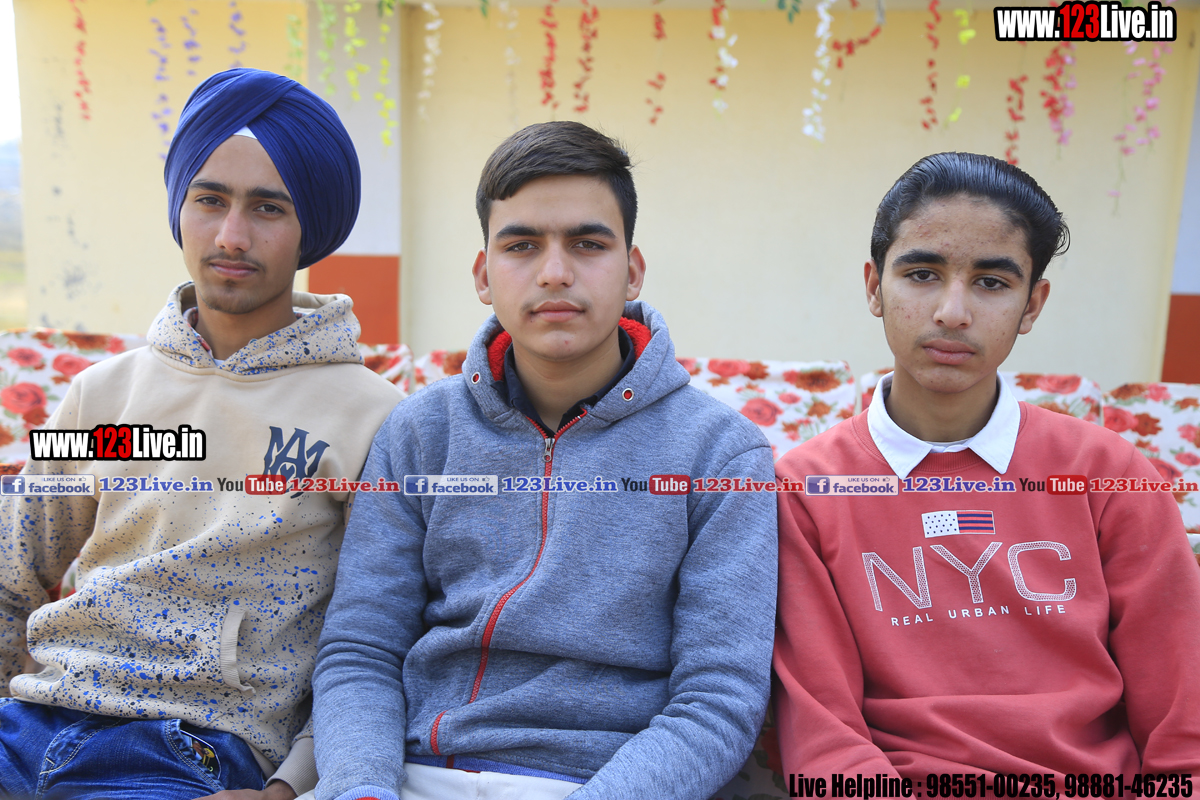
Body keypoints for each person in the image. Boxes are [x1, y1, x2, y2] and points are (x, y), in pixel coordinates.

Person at [309, 121, 778, 800]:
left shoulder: (721, 454)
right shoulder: (419, 433)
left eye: (588, 244)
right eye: (522, 245)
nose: (555, 272)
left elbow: (719, 698)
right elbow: (360, 651)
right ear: (483, 274)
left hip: (605, 784)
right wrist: (362, 789)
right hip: (412, 777)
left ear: (632, 270)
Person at [0, 68, 402, 799]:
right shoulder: (102, 396)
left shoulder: (372, 419)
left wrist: (288, 787)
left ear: (311, 227)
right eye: (209, 200)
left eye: (269, 208)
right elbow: (10, 571)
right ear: (179, 209)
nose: (231, 236)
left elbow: (373, 641)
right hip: (28, 723)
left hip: (191, 752)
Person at [773, 151, 1200, 778]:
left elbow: (1185, 736)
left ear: (1032, 305)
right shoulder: (805, 490)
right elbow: (824, 742)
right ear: (873, 286)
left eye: (992, 283)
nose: (953, 312)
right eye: (922, 274)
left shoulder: (1108, 474)